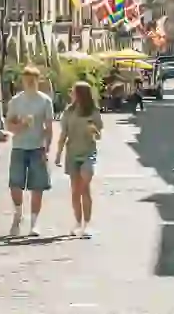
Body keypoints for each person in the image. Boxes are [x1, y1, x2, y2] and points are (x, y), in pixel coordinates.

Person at [5, 65, 54, 237]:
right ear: (23, 81)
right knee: (15, 185)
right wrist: (21, 125)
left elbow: (49, 126)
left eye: (33, 80)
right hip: (19, 147)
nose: (30, 82)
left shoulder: (45, 101)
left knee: (37, 186)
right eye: (27, 80)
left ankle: (34, 223)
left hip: (37, 147)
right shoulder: (15, 101)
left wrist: (47, 147)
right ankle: (18, 215)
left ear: (38, 80)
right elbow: (8, 125)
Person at [54, 81, 103, 237]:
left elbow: (99, 135)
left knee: (85, 186)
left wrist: (94, 131)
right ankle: (77, 223)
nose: (71, 94)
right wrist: (58, 153)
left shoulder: (93, 111)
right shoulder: (69, 112)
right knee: (75, 191)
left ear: (81, 94)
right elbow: (63, 134)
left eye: (73, 91)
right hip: (72, 153)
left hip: (88, 152)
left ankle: (87, 224)